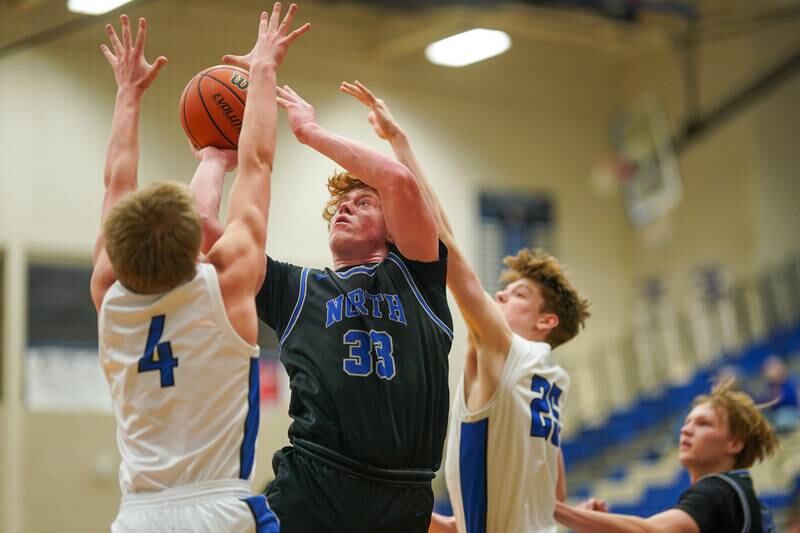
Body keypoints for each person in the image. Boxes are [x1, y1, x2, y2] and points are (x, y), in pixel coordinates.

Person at [193, 64, 453, 532]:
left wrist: (310, 133)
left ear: (393, 228)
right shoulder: (297, 289)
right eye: (339, 206)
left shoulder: (418, 275)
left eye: (362, 203)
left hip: (404, 490)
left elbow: (398, 182)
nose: (344, 208)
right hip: (316, 481)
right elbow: (206, 238)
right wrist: (212, 161)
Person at [90, 6, 308, 532]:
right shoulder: (228, 287)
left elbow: (116, 184)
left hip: (136, 516)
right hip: (217, 511)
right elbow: (257, 163)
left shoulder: (109, 298)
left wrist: (129, 96)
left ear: (115, 252)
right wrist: (261, 72)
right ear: (198, 244)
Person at [339, 81, 590, 533]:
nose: (499, 296)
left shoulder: (509, 349)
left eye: (518, 295)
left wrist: (401, 147)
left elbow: (443, 247)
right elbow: (551, 499)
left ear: (545, 321)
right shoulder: (553, 379)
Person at [554, 378, 779, 533]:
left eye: (703, 424)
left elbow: (651, 530)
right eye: (687, 422)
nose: (686, 429)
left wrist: (553, 508)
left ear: (735, 443)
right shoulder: (735, 496)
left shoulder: (720, 490)